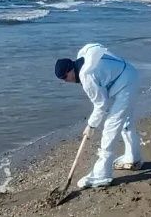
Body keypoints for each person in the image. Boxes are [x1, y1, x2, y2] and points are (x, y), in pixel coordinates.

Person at [55, 43, 142, 189]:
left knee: (110, 128)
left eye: (65, 77)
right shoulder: (85, 54)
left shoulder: (86, 76)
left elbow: (101, 105)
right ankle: (133, 158)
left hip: (125, 85)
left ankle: (102, 175)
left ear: (70, 70)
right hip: (130, 73)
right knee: (126, 123)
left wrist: (91, 126)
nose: (66, 81)